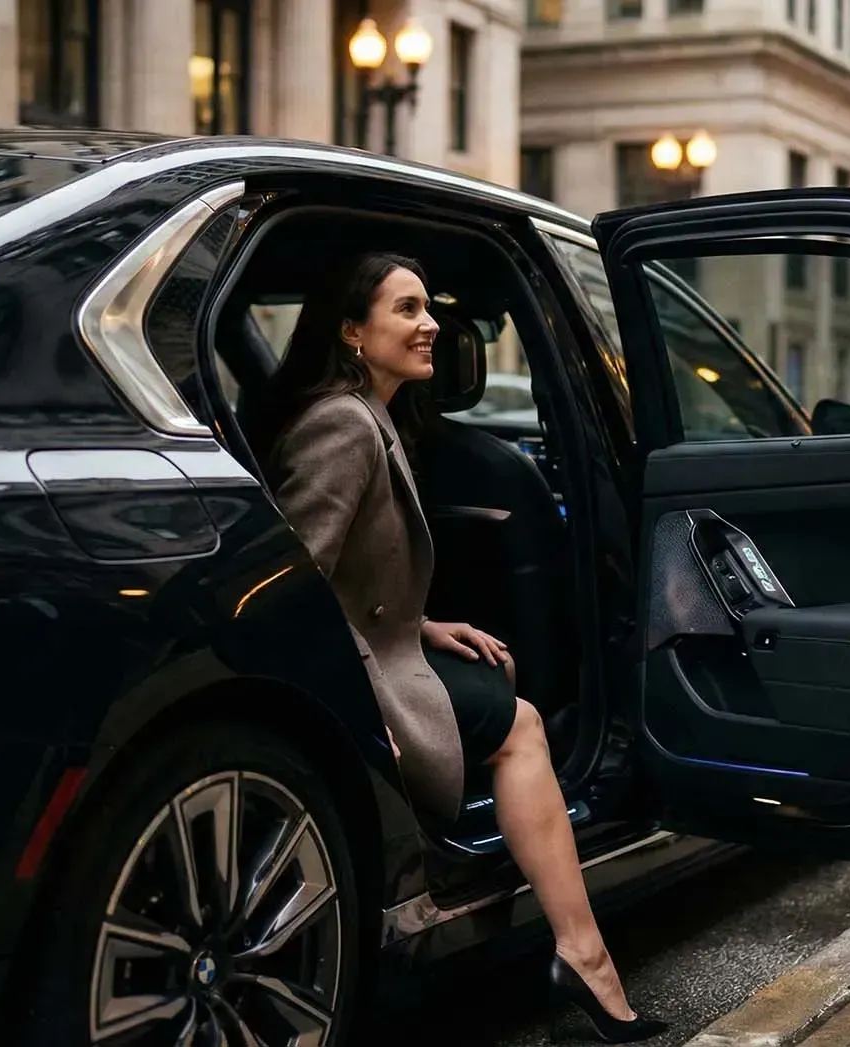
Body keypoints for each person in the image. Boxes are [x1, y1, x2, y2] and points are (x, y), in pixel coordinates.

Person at [247, 252, 666, 1044]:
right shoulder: (342, 424)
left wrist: (424, 624)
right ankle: (584, 955)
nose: (431, 324)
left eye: (427, 307)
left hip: (387, 646)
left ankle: (583, 954)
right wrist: (361, 699)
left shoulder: (371, 414)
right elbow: (297, 584)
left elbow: (357, 574)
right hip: (358, 670)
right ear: (352, 332)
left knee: (499, 681)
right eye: (406, 309)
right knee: (521, 724)